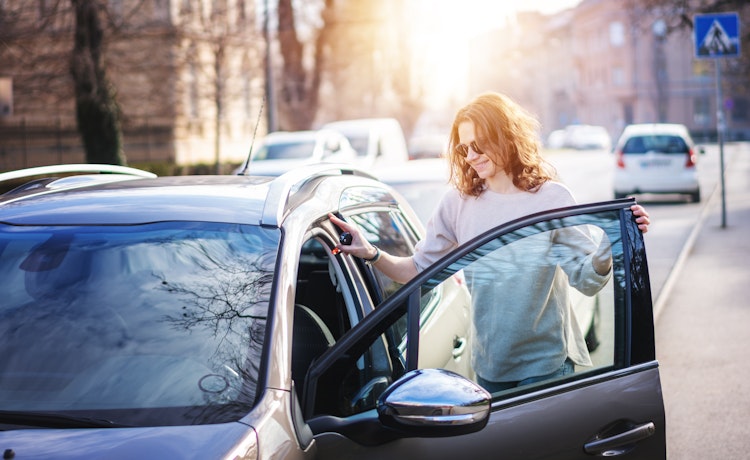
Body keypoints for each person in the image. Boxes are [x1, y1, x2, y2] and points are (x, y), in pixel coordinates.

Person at [329, 91, 650, 392]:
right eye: (463, 148)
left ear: (506, 137)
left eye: (479, 145)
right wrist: (370, 252)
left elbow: (587, 279)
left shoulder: (551, 198)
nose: (471, 156)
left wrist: (613, 240)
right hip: (489, 372)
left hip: (548, 368)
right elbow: (416, 271)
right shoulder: (457, 203)